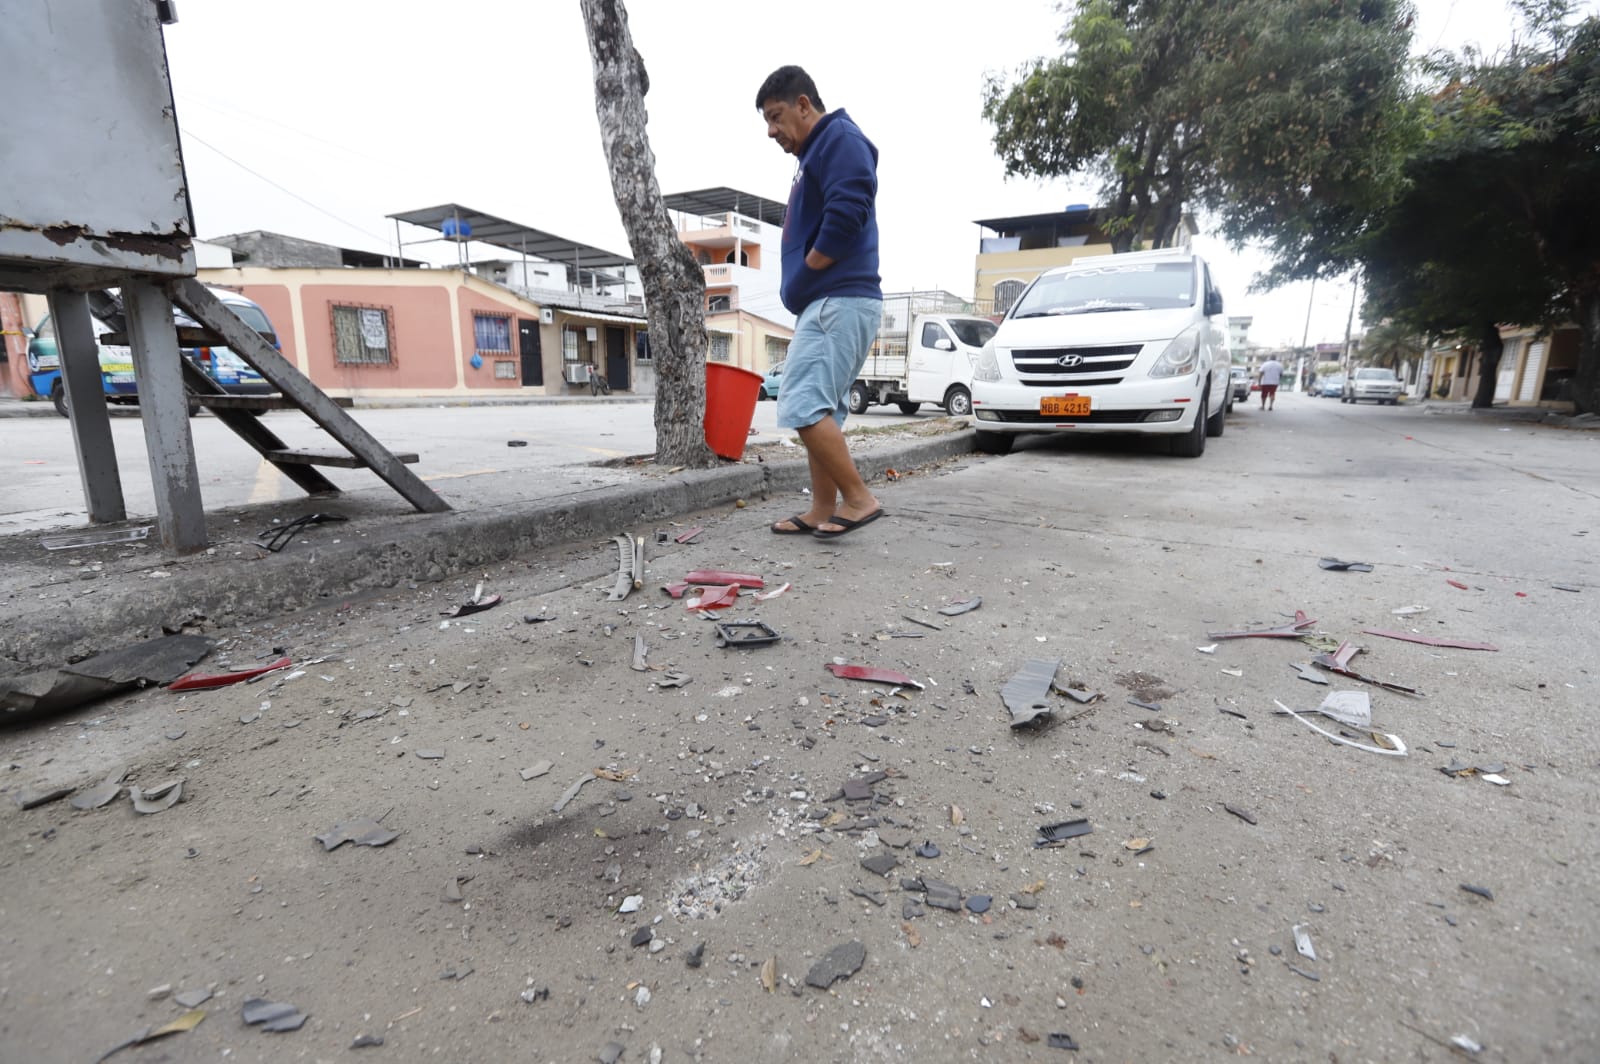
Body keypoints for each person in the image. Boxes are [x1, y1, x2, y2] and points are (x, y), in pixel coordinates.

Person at [756, 66, 885, 540]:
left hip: (838, 299)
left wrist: (810, 268)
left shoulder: (839, 140)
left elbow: (850, 209)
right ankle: (822, 507)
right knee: (821, 408)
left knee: (802, 401)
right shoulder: (819, 149)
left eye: (776, 116)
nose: (771, 130)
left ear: (804, 105)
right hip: (835, 301)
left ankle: (859, 499)